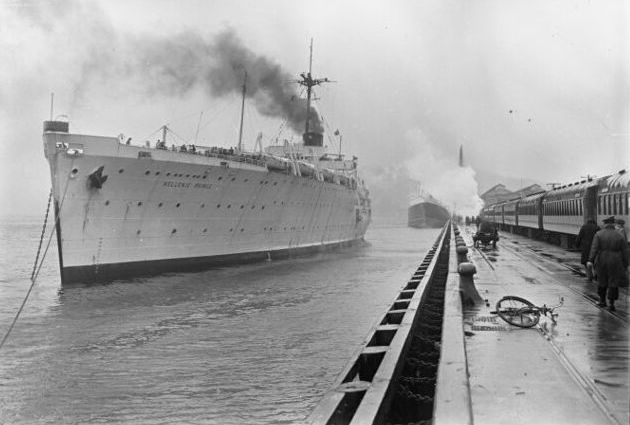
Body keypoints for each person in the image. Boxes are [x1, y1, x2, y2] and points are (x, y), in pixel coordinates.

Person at [587, 216, 629, 311]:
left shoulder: (598, 234)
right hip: (616, 261)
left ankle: (602, 301)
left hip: (602, 259)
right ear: (613, 224)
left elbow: (594, 248)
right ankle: (611, 304)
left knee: (602, 280)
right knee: (613, 281)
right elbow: (625, 251)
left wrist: (590, 260)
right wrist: (626, 264)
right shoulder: (619, 235)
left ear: (605, 224)